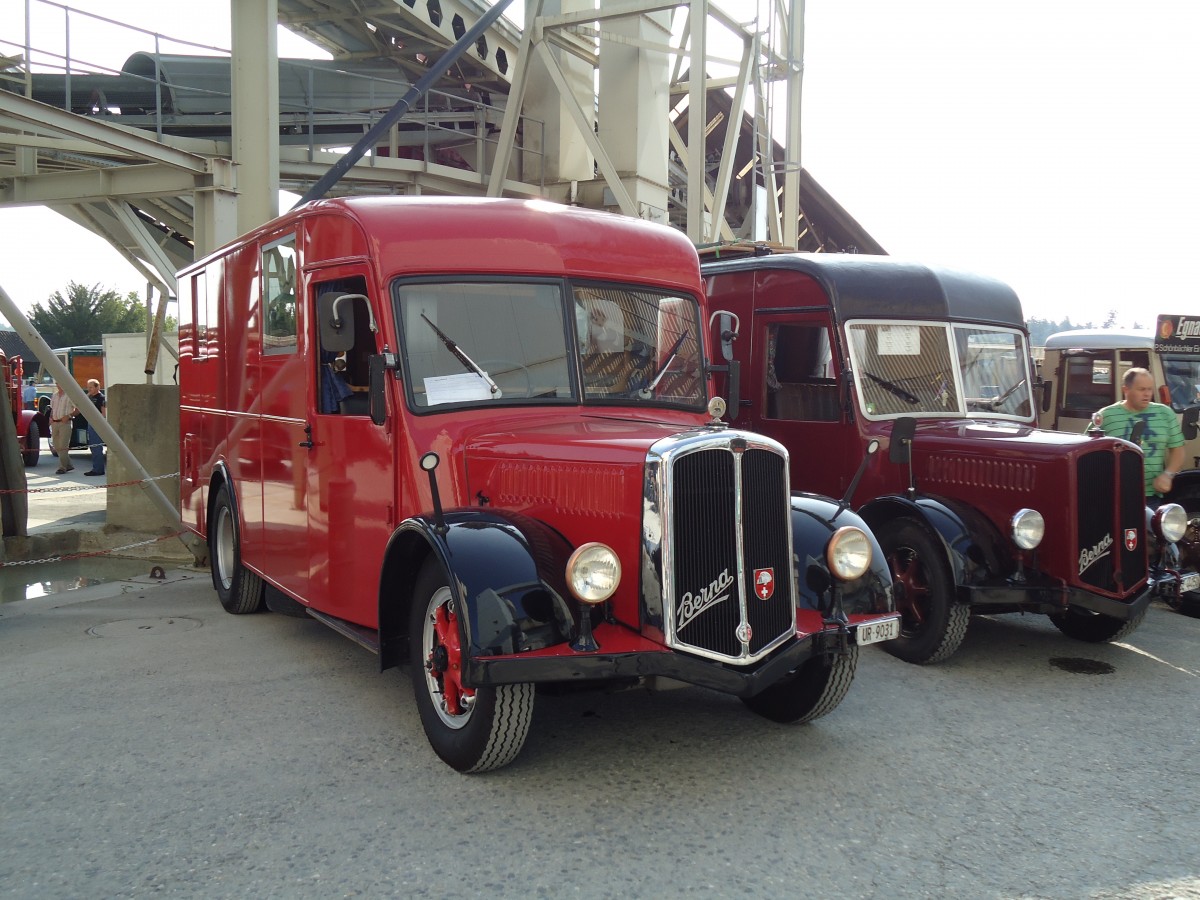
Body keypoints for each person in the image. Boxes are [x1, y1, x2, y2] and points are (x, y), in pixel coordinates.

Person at [1088, 367, 1185, 503]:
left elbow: (1178, 450)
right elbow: (1086, 451)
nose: (1147, 394)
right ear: (1126, 390)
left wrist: (1168, 475)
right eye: (1141, 389)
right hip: (1112, 494)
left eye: (1150, 389)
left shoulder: (1165, 413)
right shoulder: (1106, 415)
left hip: (1151, 495)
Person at [48, 383, 77, 474]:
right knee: (56, 446)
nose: (58, 385)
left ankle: (62, 467)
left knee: (63, 446)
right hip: (55, 422)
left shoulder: (70, 395)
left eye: (59, 383)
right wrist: (50, 418)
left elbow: (78, 409)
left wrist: (69, 416)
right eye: (56, 383)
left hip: (65, 423)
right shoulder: (54, 395)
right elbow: (52, 409)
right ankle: (69, 465)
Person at [83, 378, 106, 476]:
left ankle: (98, 470)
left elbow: (104, 414)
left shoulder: (101, 398)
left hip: (97, 424)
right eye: (88, 387)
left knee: (96, 447)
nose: (89, 389)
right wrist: (88, 394)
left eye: (91, 387)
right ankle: (96, 468)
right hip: (91, 422)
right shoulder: (90, 397)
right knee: (93, 447)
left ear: (97, 387)